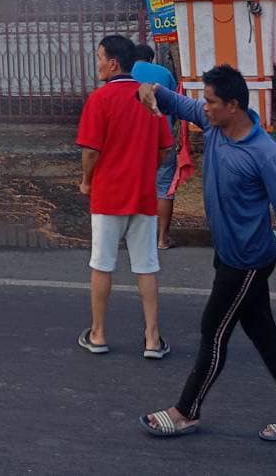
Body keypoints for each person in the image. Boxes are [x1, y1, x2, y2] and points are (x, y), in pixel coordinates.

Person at [136, 65, 276, 443]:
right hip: (229, 256)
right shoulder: (215, 126)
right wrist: (147, 88)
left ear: (234, 105)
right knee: (265, 336)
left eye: (210, 102)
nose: (203, 108)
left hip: (246, 262)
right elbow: (173, 101)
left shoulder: (265, 154)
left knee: (214, 331)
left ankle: (185, 412)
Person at [75, 34, 174, 359]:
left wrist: (87, 181)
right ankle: (152, 338)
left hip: (107, 195)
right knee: (146, 266)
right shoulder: (147, 99)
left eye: (100, 57)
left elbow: (91, 151)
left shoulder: (100, 100)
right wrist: (145, 171)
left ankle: (99, 333)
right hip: (143, 195)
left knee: (102, 265)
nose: (98, 63)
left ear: (113, 63)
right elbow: (165, 148)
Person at [129, 42, 181, 249]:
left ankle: (138, 237)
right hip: (162, 140)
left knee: (136, 185)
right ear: (151, 59)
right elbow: (176, 105)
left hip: (133, 142)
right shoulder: (164, 73)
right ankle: (162, 239)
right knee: (164, 187)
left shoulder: (125, 74)